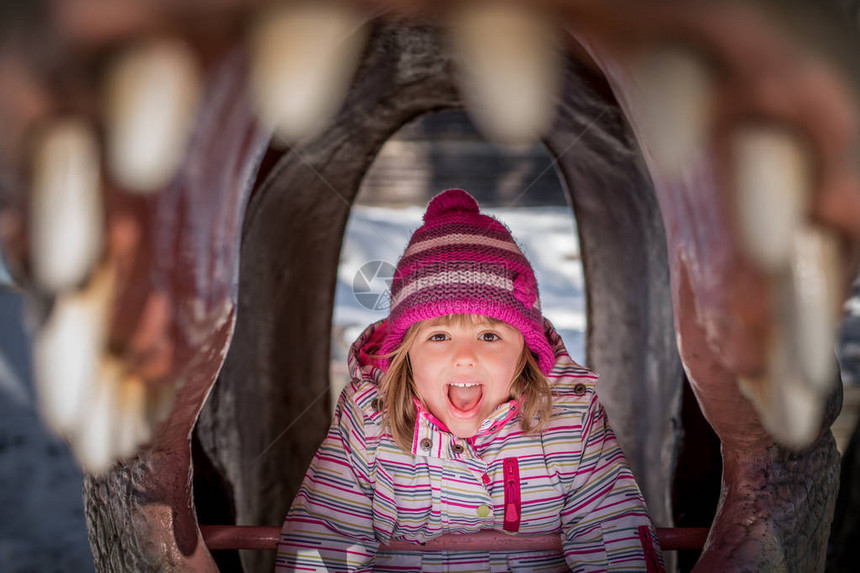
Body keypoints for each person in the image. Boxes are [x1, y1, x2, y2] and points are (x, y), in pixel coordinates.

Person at [276, 189, 663, 572]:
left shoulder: (570, 420)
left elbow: (614, 537)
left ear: (525, 350)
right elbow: (325, 540)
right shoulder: (370, 423)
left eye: (489, 336)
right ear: (405, 354)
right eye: (439, 337)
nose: (465, 356)